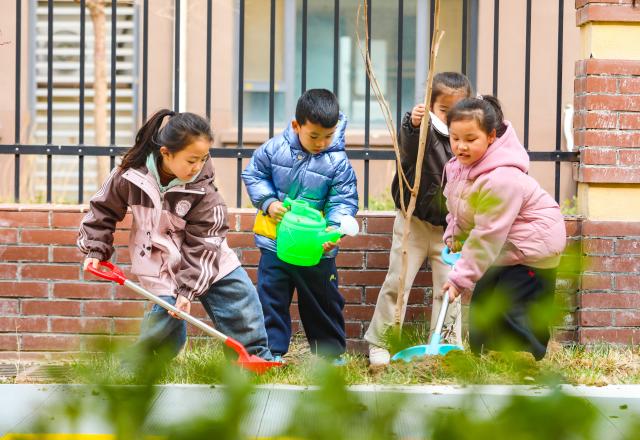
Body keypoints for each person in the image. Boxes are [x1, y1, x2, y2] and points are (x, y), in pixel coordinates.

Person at [78, 109, 273, 361]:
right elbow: (102, 209)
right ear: (165, 153)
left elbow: (205, 242)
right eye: (191, 160)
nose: (198, 167)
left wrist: (188, 289)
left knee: (240, 299)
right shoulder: (129, 175)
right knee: (166, 315)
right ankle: (143, 365)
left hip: (205, 258)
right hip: (158, 259)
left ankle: (255, 357)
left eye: (203, 159)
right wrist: (96, 248)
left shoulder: (204, 192)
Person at [442, 95, 566, 360]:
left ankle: (526, 360)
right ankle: (485, 356)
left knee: (512, 307)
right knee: (485, 301)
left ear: (491, 136)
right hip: (505, 247)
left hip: (532, 248)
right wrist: (454, 236)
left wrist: (458, 279)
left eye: (470, 139)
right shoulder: (459, 168)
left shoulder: (502, 178)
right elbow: (457, 206)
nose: (461, 146)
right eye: (455, 138)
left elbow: (487, 235)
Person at [242, 88, 358, 361]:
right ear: (296, 126)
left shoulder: (338, 162)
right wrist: (268, 202)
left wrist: (334, 228)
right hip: (275, 242)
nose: (321, 143)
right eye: (314, 136)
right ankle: (271, 351)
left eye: (328, 136)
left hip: (316, 246)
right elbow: (254, 174)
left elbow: (343, 200)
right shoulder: (275, 148)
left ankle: (329, 354)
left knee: (322, 301)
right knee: (271, 298)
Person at [364, 72, 472, 366]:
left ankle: (447, 344)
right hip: (413, 222)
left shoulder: (467, 137)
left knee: (450, 287)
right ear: (430, 106)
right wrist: (412, 124)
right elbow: (407, 151)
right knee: (398, 281)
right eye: (443, 111)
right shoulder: (421, 129)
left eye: (457, 111)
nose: (450, 118)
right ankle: (382, 342)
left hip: (451, 228)